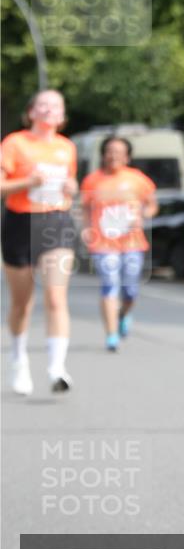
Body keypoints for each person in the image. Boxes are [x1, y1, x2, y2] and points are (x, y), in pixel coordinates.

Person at [1, 89, 78, 395]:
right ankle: (19, 359)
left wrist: (71, 187)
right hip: (20, 222)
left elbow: (70, 185)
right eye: (43, 104)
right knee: (22, 303)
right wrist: (28, 182)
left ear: (62, 115)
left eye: (56, 105)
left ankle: (57, 368)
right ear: (31, 112)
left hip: (56, 223)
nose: (49, 109)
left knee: (56, 297)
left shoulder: (67, 147)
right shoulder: (15, 143)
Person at [80, 136, 158, 351]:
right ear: (103, 155)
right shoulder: (92, 180)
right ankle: (111, 334)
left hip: (132, 243)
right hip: (103, 244)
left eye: (118, 152)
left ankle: (124, 313)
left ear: (127, 157)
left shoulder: (137, 179)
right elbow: (84, 208)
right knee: (109, 284)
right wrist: (86, 229)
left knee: (130, 290)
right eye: (110, 151)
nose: (113, 155)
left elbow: (152, 205)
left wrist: (144, 215)